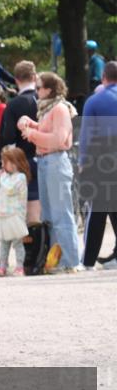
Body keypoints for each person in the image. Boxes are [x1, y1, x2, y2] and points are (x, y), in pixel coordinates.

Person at [19, 72, 82, 272]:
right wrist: (30, 122)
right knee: (48, 215)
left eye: (39, 88)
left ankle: (71, 261)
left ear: (49, 89)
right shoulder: (46, 109)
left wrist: (32, 133)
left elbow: (58, 139)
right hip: (45, 162)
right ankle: (56, 260)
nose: (36, 91)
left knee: (61, 214)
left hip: (55, 160)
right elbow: (47, 132)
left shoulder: (60, 109)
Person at [79, 60, 117, 269]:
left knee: (98, 210)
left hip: (104, 160)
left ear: (103, 78)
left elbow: (86, 135)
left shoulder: (94, 101)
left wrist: (83, 162)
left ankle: (88, 260)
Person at [0, 61, 40, 224]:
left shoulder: (13, 105)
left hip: (25, 158)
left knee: (30, 203)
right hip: (48, 156)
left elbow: (8, 137)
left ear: (16, 79)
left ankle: (34, 245)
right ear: (35, 77)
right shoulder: (44, 100)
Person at [0, 146, 30, 276]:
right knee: (4, 244)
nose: (3, 165)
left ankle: (20, 267)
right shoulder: (4, 177)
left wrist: (2, 178)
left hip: (14, 216)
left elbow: (9, 189)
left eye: (6, 162)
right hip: (3, 216)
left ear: (16, 163)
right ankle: (2, 267)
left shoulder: (20, 177)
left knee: (18, 244)